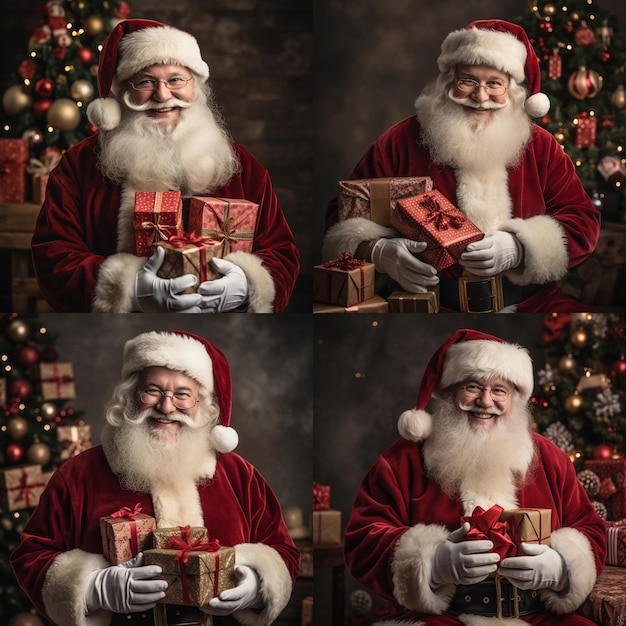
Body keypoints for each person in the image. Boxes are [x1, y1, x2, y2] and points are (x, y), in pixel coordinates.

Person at [11, 330, 300, 626]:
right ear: (130, 395)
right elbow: (31, 556)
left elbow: (284, 552)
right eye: (153, 390)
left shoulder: (240, 475)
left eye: (182, 394)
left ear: (204, 404)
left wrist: (256, 584)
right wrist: (92, 590)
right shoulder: (77, 475)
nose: (166, 407)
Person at [323, 19, 600, 313]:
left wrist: (519, 247)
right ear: (448, 82)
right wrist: (377, 251)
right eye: (468, 80)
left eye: (494, 83)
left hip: (532, 305)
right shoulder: (399, 141)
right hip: (428, 308)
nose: (480, 97)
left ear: (513, 90)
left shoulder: (540, 146)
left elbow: (583, 220)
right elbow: (339, 216)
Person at [31, 19, 300, 313]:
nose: (162, 95)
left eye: (176, 79)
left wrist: (246, 284)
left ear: (195, 86)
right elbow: (53, 254)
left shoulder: (243, 166)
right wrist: (130, 290)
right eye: (145, 81)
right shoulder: (78, 166)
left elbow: (281, 251)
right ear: (121, 91)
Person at [344, 328, 606, 625]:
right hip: (445, 616)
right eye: (472, 386)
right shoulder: (402, 460)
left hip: (538, 615)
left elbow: (590, 528)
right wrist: (431, 564)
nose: (485, 401)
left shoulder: (550, 457)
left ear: (515, 399)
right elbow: (361, 538)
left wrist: (562, 568)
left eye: (499, 390)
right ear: (448, 391)